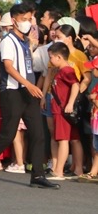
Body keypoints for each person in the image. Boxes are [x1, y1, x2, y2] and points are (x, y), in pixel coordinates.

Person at [0, 3, 59, 189]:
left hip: (28, 92)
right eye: (24, 19)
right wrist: (29, 84)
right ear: (14, 21)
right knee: (7, 134)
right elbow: (8, 67)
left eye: (30, 19)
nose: (28, 23)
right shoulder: (8, 41)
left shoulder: (25, 41)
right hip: (12, 92)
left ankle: (37, 175)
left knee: (38, 134)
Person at [47, 42, 82, 180]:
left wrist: (70, 103)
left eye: (51, 57)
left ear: (59, 57)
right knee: (72, 139)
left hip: (62, 110)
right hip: (61, 109)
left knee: (63, 140)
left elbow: (75, 85)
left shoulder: (66, 70)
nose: (50, 60)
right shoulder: (61, 70)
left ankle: (59, 171)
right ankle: (76, 170)